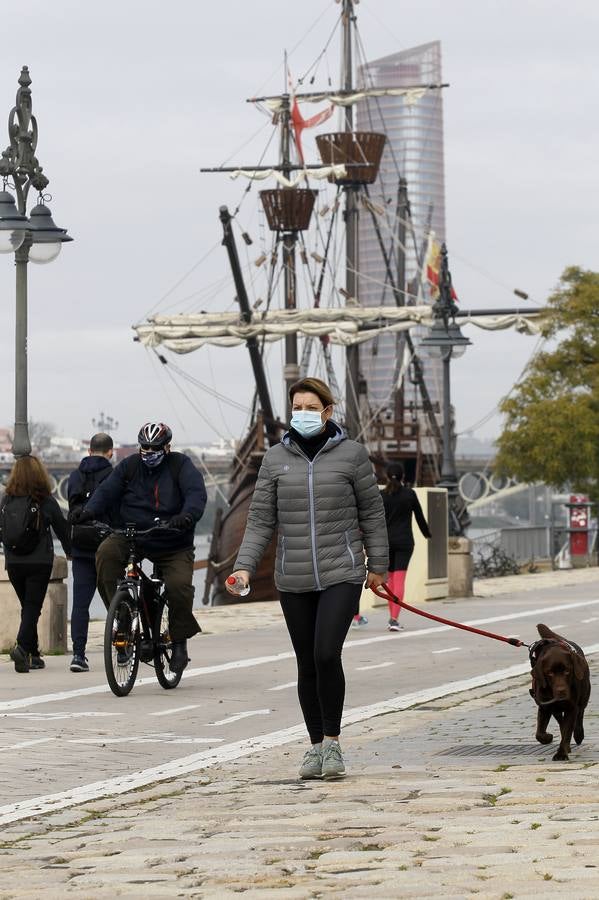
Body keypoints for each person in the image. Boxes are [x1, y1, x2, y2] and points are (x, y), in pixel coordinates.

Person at [227, 377, 388, 780]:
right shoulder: (274, 460)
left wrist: (378, 567)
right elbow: (261, 519)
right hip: (293, 577)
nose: (303, 414)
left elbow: (372, 513)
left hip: (343, 573)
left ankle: (333, 744)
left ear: (328, 412)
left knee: (325, 654)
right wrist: (243, 566)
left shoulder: (352, 456)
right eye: (297, 407)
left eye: (310, 408)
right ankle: (314, 746)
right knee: (306, 663)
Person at [74, 423, 207, 673]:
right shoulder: (130, 466)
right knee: (106, 554)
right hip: (135, 534)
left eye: (155, 448)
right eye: (144, 447)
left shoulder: (181, 466)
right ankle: (122, 617)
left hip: (172, 538)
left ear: (167, 447)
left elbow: (195, 494)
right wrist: (88, 511)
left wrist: (187, 516)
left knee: (179, 587)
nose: (149, 452)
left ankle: (179, 641)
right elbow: (107, 491)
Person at [0, 455, 70, 673]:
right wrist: (70, 552)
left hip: (14, 563)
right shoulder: (45, 500)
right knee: (32, 607)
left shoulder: (5, 500)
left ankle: (33, 654)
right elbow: (62, 529)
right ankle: (21, 646)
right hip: (39, 562)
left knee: (28, 607)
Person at [67, 432, 115, 673]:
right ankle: (123, 647)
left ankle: (78, 654)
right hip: (108, 547)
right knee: (116, 601)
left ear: (89, 451)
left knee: (80, 604)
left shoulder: (75, 476)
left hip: (81, 547)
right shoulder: (114, 476)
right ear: (111, 452)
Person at [382, 461, 431, 632]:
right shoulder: (409, 494)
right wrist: (427, 534)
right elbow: (419, 517)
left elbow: (373, 520)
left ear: (387, 476)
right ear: (403, 476)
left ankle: (392, 618)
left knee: (389, 581)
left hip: (385, 543)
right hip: (404, 542)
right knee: (399, 581)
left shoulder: (381, 496)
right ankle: (394, 619)